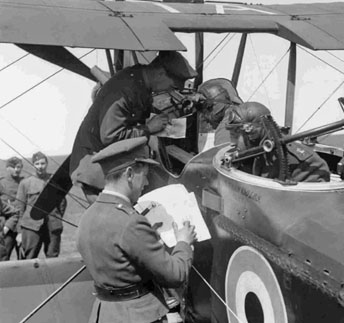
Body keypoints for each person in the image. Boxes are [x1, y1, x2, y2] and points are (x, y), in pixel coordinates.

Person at [77, 137, 196, 323]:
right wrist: (184, 242)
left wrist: (146, 240)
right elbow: (175, 275)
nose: (147, 182)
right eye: (145, 174)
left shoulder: (88, 215)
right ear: (130, 174)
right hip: (137, 315)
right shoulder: (130, 222)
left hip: (105, 314)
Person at [70, 51, 198, 204]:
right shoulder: (124, 89)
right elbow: (110, 136)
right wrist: (148, 128)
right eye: (171, 86)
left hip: (114, 165)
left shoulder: (139, 80)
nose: (169, 91)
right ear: (160, 73)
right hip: (99, 172)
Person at [226, 102, 331, 182]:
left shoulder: (300, 160)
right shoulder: (250, 150)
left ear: (252, 132)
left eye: (236, 135)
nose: (232, 143)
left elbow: (312, 200)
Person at [16, 152, 66, 259]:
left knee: (53, 257)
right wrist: (19, 232)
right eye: (37, 163)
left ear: (47, 164)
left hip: (52, 227)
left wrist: (56, 217)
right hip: (31, 227)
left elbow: (62, 203)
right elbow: (19, 208)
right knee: (29, 258)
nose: (40, 166)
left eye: (43, 163)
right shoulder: (25, 183)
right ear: (33, 165)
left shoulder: (55, 181)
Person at [197, 78, 243, 145]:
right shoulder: (240, 114)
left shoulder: (227, 126)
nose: (206, 118)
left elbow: (222, 153)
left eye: (206, 110)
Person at [0, 157, 24, 260]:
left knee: (24, 258)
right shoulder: (1, 183)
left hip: (22, 227)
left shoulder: (25, 182)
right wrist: (6, 226)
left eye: (18, 167)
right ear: (7, 168)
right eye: (12, 167)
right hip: (7, 228)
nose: (16, 169)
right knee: (4, 257)